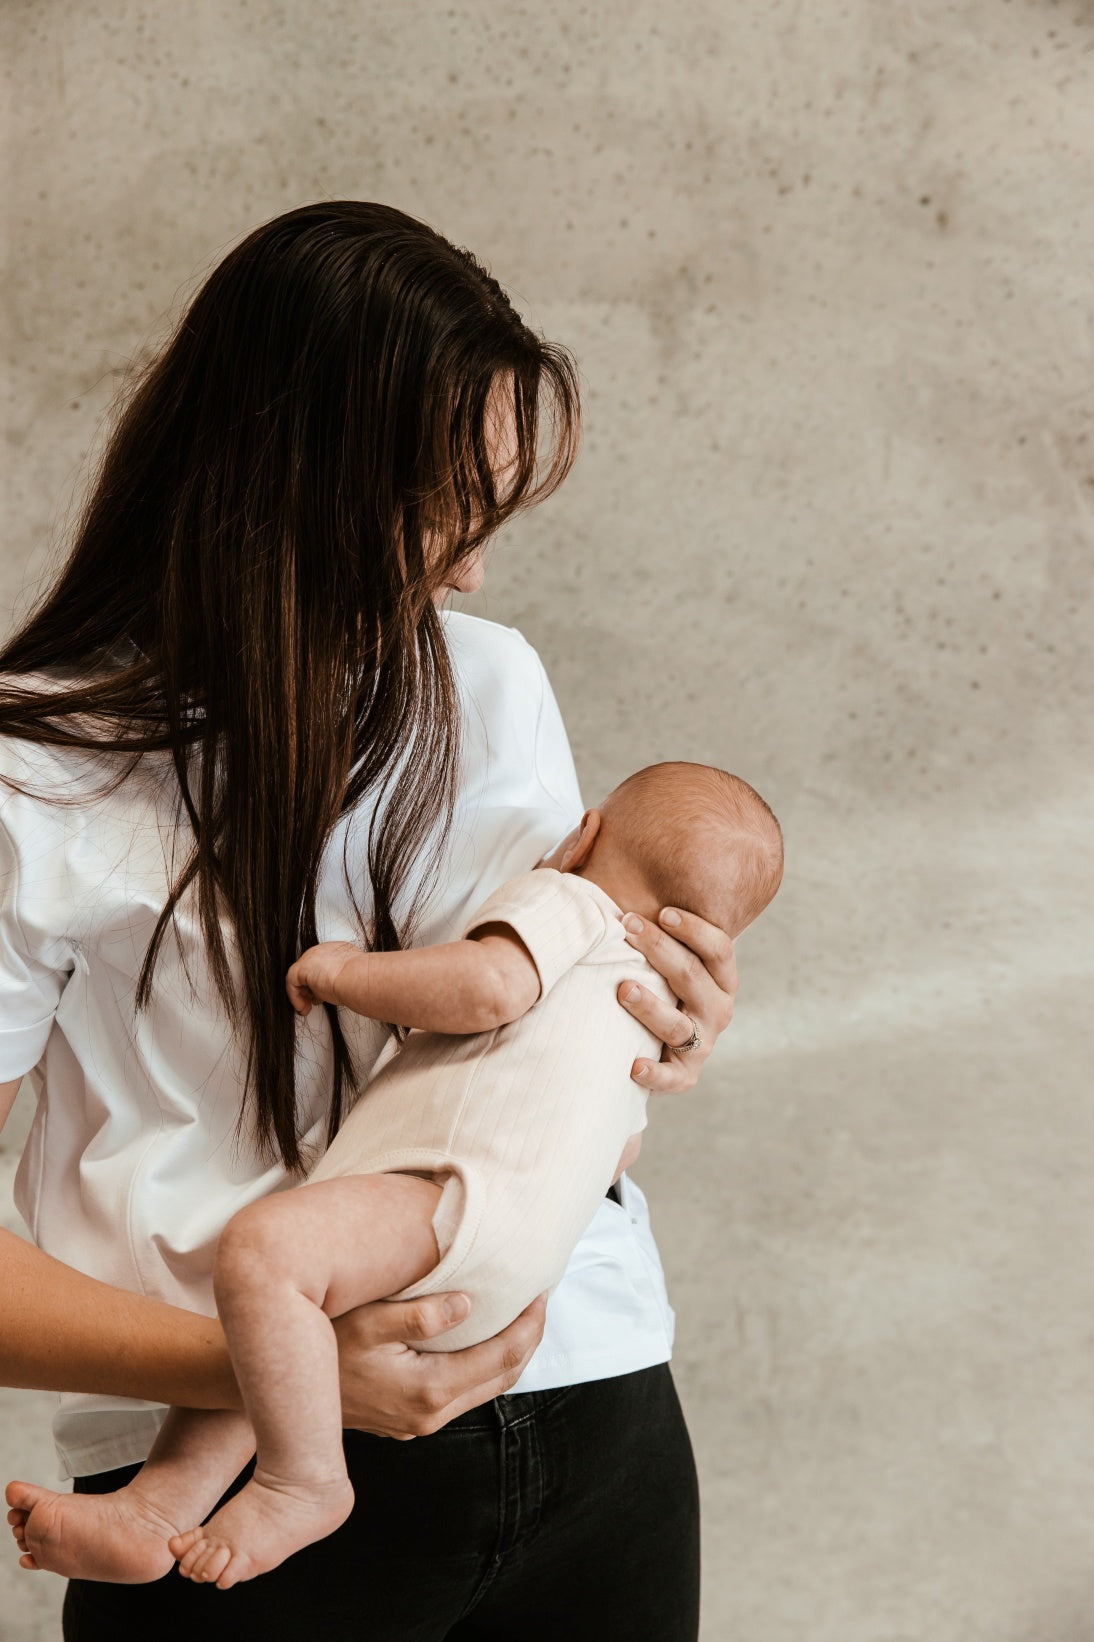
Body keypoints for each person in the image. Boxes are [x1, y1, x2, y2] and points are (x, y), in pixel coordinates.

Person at [0, 202, 739, 1641]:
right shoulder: (29, 772)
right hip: (231, 1495)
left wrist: (662, 1012)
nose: (469, 571)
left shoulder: (494, 682)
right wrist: (276, 1367)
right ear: (279, 473)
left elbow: (544, 1003)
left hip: (599, 1404)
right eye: (441, 510)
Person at [7, 762, 782, 1591]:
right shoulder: (639, 1013)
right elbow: (618, 1149)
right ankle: (156, 1508)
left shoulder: (573, 903)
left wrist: (340, 972)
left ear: (584, 835)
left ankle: (301, 1481)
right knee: (288, 1322)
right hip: (527, 1281)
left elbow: (486, 986)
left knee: (265, 1261)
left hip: (448, 1208)